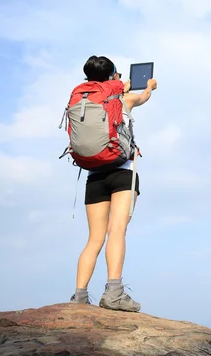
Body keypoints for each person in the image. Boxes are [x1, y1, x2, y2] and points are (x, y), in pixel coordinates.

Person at [69, 55, 157, 312]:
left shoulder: (82, 101)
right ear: (113, 77)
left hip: (93, 175)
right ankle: (114, 293)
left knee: (94, 238)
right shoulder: (124, 99)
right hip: (122, 172)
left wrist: (120, 83)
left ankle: (79, 297)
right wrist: (149, 85)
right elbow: (143, 96)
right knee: (116, 231)